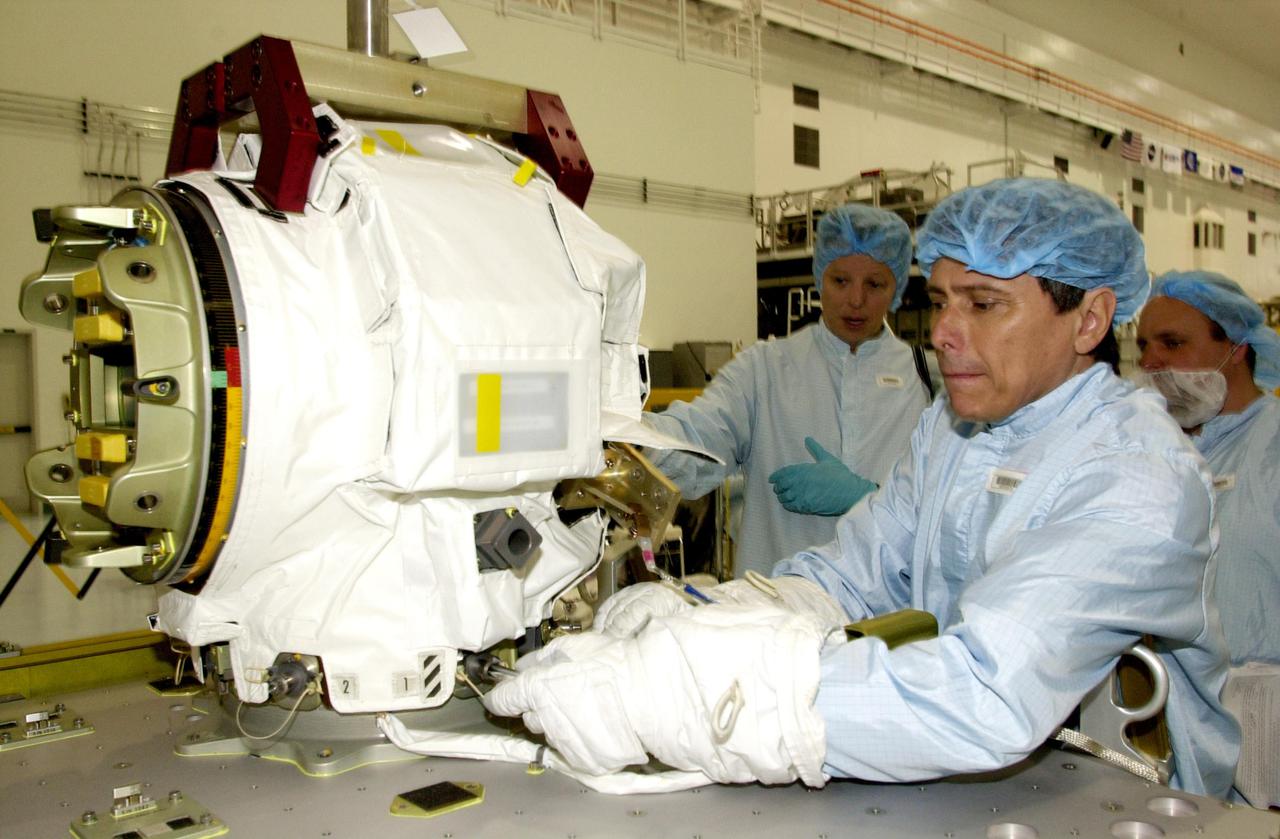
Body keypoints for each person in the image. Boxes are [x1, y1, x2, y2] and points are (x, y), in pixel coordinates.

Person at [484, 179, 1239, 800]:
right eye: (941, 300)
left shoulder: (1138, 478)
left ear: (1090, 320)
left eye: (983, 304)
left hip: (1140, 804)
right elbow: (857, 573)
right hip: (996, 786)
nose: (943, 331)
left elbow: (987, 691)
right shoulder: (957, 426)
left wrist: (708, 695)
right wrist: (706, 613)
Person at [645, 203, 934, 578]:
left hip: (887, 619)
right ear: (819, 279)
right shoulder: (764, 370)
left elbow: (950, 509)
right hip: (779, 609)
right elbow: (697, 439)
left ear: (897, 287)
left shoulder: (927, 378)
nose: (856, 300)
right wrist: (628, 437)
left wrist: (869, 497)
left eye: (875, 284)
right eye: (840, 281)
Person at [1136, 270, 1280, 807]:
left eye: (1172, 343)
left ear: (1237, 349)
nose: (1151, 362)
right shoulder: (1164, 452)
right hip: (1166, 709)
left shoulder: (1272, 444)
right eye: (1145, 344)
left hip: (1262, 715)